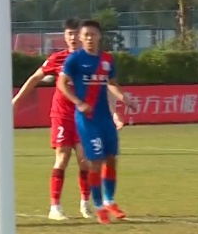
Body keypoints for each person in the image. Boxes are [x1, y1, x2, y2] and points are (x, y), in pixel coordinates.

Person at [13, 18, 122, 220]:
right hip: (62, 115)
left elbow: (105, 88)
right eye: (68, 34)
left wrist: (114, 112)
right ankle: (55, 206)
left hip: (86, 118)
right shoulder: (58, 58)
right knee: (62, 158)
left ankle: (85, 203)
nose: (73, 38)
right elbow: (35, 78)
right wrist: (16, 101)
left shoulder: (96, 60)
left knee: (85, 160)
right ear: (65, 37)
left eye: (75, 34)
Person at [56, 20, 129, 224]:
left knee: (111, 158)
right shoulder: (75, 59)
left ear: (99, 36)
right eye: (86, 35)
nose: (89, 38)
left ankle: (109, 201)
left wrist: (124, 98)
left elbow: (111, 84)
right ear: (81, 37)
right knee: (95, 161)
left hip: (105, 118)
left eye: (93, 34)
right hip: (87, 120)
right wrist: (78, 103)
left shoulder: (107, 59)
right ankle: (97, 205)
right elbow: (62, 83)